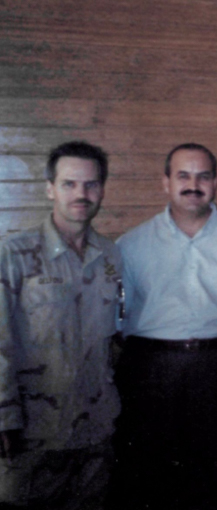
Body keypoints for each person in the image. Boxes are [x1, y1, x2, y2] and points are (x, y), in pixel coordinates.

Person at [113, 143, 217, 509]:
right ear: (165, 182)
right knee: (151, 472)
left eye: (203, 176)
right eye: (183, 175)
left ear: (216, 182)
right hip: (151, 371)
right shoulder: (130, 245)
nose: (193, 184)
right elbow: (117, 323)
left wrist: (206, 345)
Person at [0, 141, 121, 509]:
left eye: (91, 184)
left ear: (101, 189)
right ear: (50, 188)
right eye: (69, 184)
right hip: (33, 434)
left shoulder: (111, 255)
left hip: (96, 431)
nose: (81, 194)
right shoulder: (14, 254)